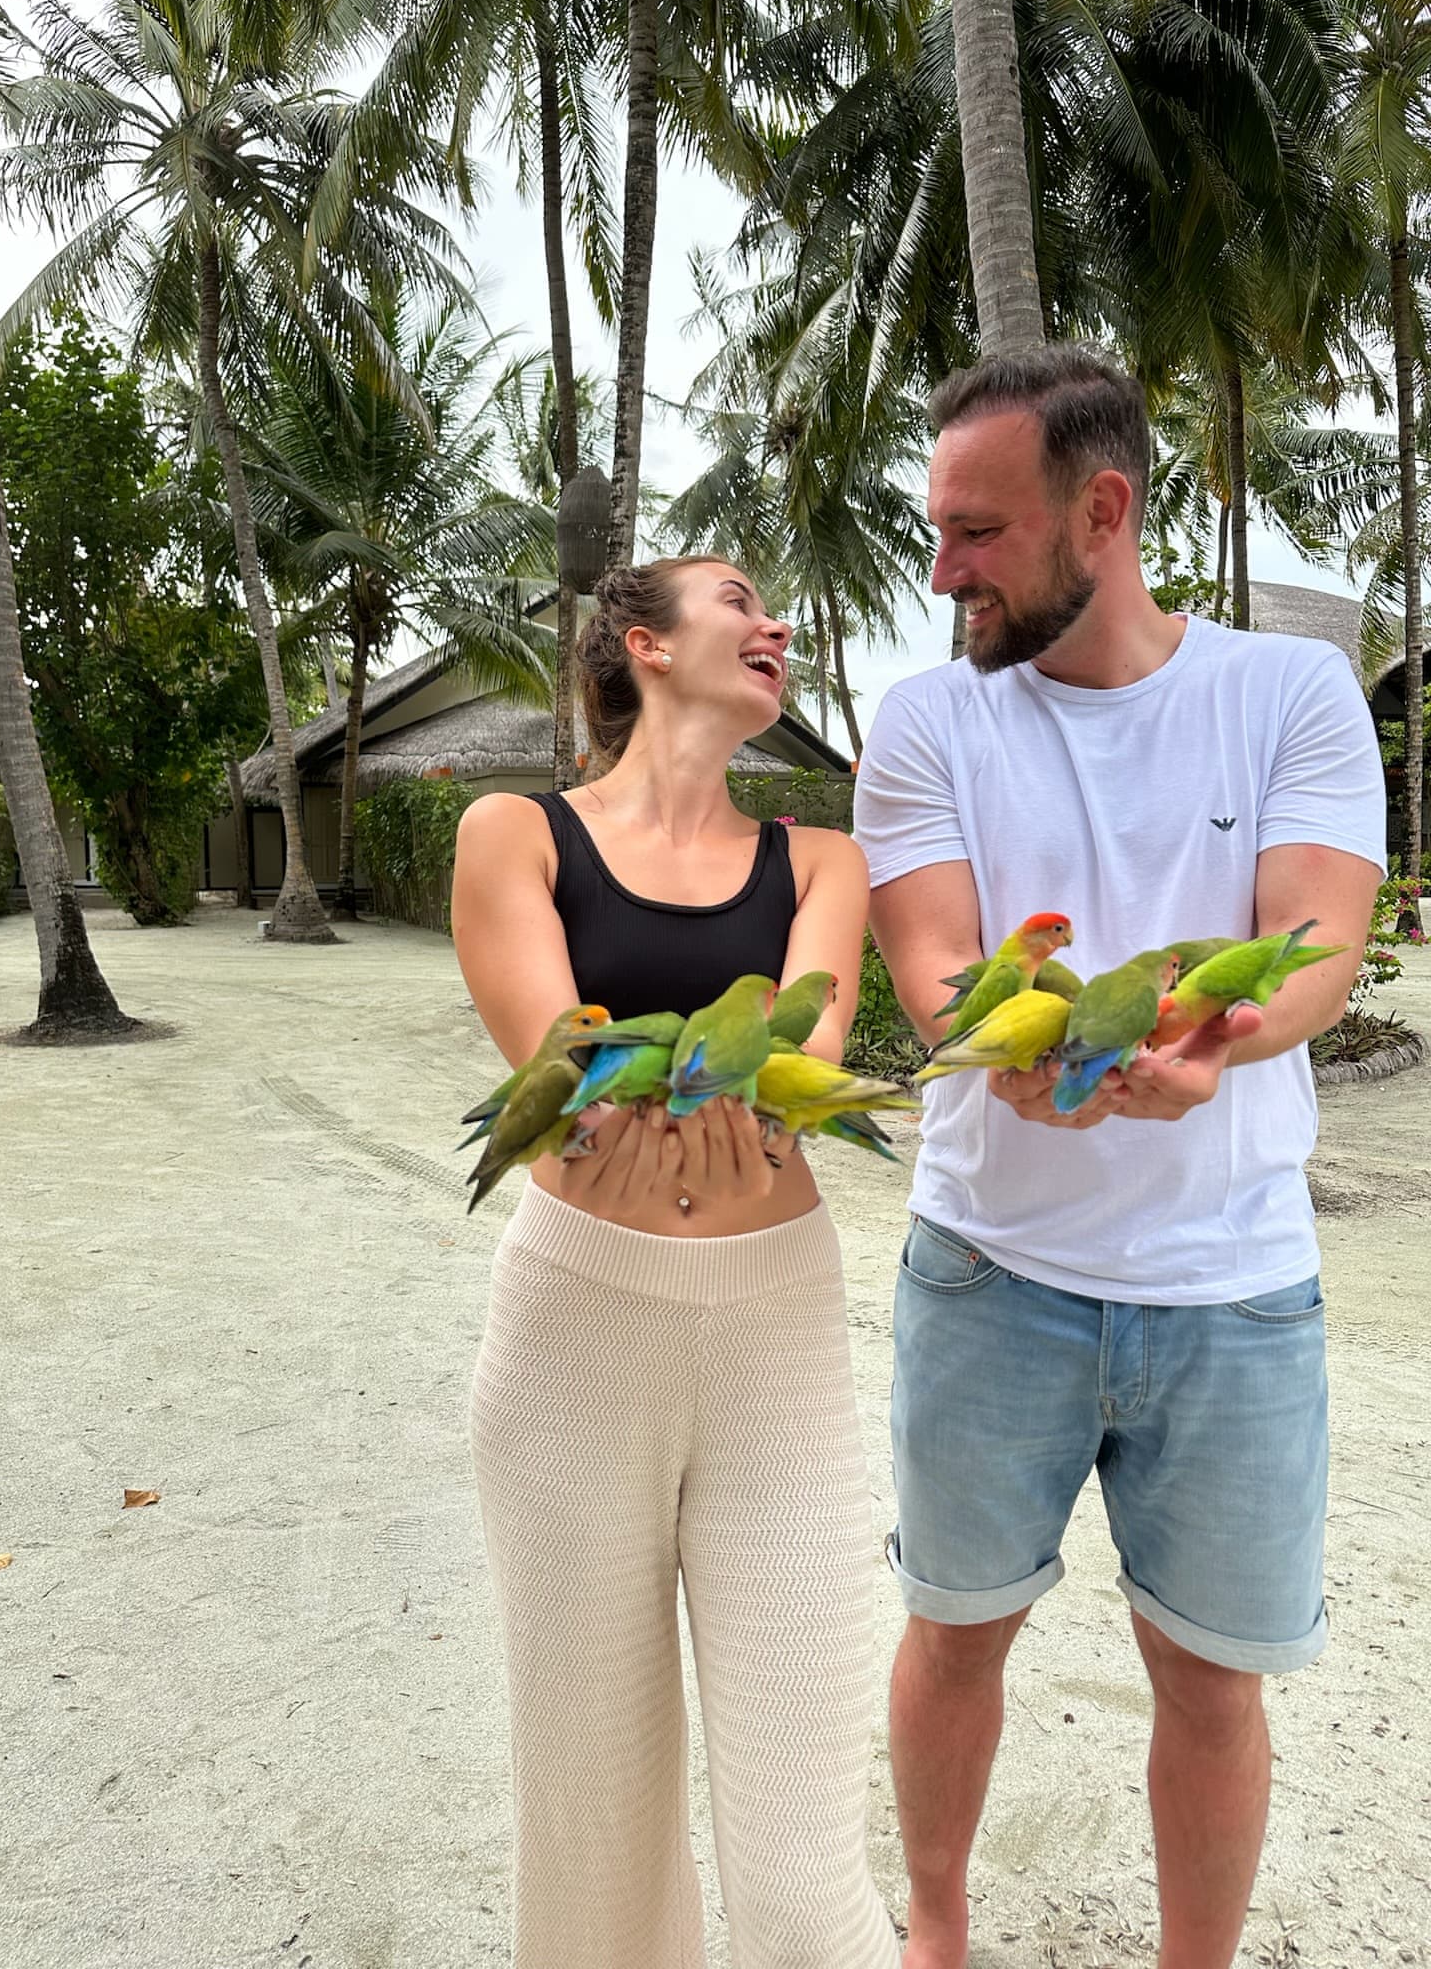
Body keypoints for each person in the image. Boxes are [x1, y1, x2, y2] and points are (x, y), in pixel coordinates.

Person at [853, 346, 1386, 1969]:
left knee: (1213, 1679)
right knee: (955, 1631)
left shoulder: (1288, 694)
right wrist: (1019, 1058)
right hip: (988, 1269)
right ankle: (937, 1935)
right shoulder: (927, 719)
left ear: (1104, 510)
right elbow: (935, 963)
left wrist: (1215, 1050)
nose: (943, 572)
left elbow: (1315, 942)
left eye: (979, 533)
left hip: (1234, 1287)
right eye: (937, 530)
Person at [452, 555, 901, 1969]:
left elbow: (801, 1069)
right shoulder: (514, 834)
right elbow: (562, 1072)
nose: (777, 622)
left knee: (803, 1870)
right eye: (738, 599)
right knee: (594, 1829)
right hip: (577, 1329)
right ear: (642, 643)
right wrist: (686, 1110)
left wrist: (693, 1111)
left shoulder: (821, 863)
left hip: (777, 1334)